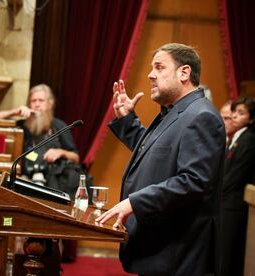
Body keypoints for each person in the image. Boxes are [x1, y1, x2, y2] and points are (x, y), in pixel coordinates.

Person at [96, 43, 225, 276]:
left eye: (159, 67)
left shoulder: (202, 116)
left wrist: (133, 202)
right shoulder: (175, 112)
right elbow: (155, 154)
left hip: (178, 255)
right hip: (162, 249)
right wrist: (127, 121)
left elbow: (193, 181)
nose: (150, 75)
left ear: (184, 73)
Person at [0, 84, 80, 192]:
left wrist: (61, 152)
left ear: (49, 104)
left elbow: (76, 157)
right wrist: (14, 112)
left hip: (53, 184)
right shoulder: (22, 125)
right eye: (33, 101)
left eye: (41, 100)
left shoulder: (59, 126)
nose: (37, 104)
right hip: (25, 181)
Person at [220, 97, 255, 276]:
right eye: (234, 111)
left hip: (233, 205)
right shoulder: (236, 137)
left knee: (228, 256)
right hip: (226, 203)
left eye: (241, 113)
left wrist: (216, 192)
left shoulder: (248, 139)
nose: (233, 116)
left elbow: (235, 176)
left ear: (251, 119)